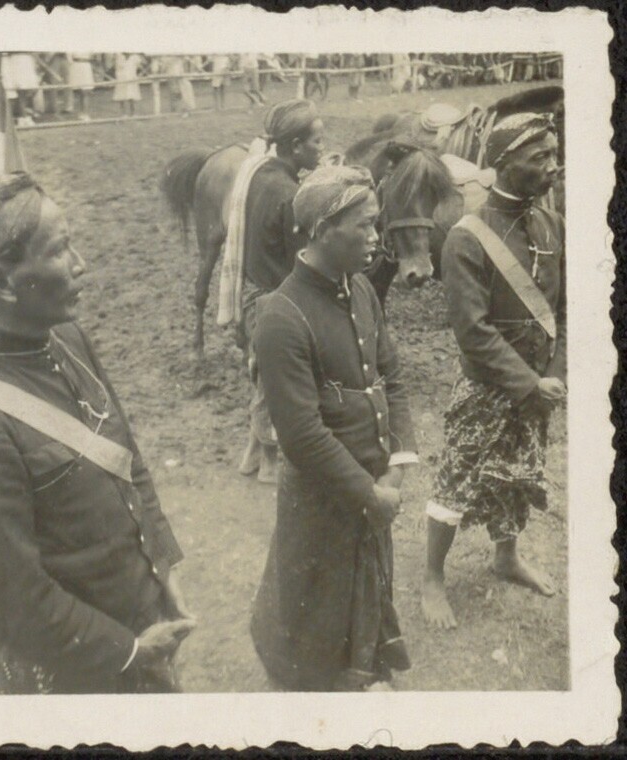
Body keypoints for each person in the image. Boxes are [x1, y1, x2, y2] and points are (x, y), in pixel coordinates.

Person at [0, 173, 196, 693]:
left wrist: (163, 569)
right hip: (72, 669)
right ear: (3, 282)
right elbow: (10, 596)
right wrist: (129, 651)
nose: (80, 264)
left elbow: (127, 459)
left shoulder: (67, 337)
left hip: (141, 620)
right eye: (58, 250)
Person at [249, 165, 418, 691]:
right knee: (313, 604)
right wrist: (369, 492)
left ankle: (364, 666)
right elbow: (301, 434)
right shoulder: (281, 316)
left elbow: (391, 377)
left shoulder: (361, 288)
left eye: (376, 223)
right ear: (322, 230)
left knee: (366, 582)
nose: (376, 237)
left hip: (374, 482)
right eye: (364, 225)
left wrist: (395, 468)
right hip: (322, 496)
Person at [421, 113, 566, 629]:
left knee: (518, 474)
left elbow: (563, 310)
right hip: (487, 387)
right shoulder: (466, 238)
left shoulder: (551, 224)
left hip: (540, 386)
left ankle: (507, 558)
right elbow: (473, 332)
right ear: (503, 163)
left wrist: (555, 374)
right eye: (539, 157)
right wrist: (530, 383)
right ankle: (432, 577)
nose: (553, 166)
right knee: (456, 481)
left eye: (554, 154)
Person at [222, 99, 325, 483]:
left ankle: (252, 454)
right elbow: (297, 263)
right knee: (276, 384)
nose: (321, 148)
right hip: (274, 297)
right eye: (317, 142)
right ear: (296, 146)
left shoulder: (258, 173)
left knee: (264, 375)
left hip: (252, 291)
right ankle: (269, 462)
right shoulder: (290, 195)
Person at [113, 53, 143, 117]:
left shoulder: (135, 57)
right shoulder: (119, 56)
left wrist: (139, 75)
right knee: (121, 96)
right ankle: (123, 113)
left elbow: (141, 67)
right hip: (121, 79)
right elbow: (114, 67)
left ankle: (133, 113)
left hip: (132, 78)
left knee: (132, 96)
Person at [68, 53, 95, 121]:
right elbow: (69, 55)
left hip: (86, 67)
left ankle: (85, 113)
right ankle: (81, 112)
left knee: (86, 91)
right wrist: (72, 64)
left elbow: (92, 55)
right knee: (79, 91)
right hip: (76, 66)